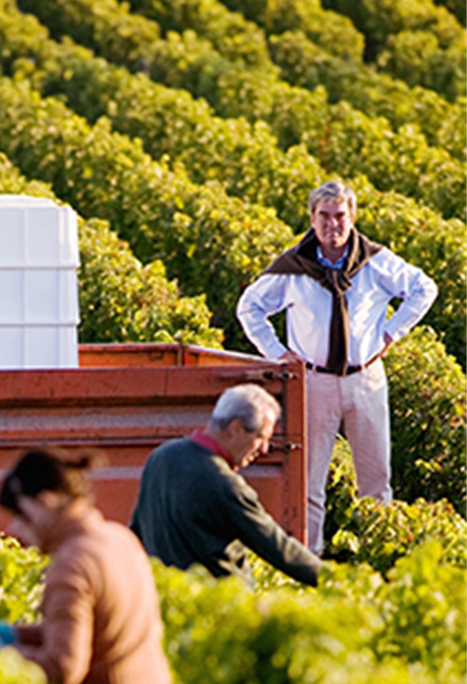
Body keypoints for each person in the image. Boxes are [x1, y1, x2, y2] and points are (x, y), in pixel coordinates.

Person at [236, 178, 437, 553]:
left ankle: (379, 559)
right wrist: (276, 352)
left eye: (340, 216)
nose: (333, 224)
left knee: (375, 479)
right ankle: (308, 562)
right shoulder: (294, 267)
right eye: (325, 216)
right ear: (312, 220)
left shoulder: (375, 262)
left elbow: (425, 288)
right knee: (309, 482)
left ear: (352, 217)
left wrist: (391, 332)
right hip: (314, 383)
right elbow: (249, 307)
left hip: (366, 380)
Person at [0, 448, 175, 684]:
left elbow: (64, 666)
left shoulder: (72, 564)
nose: (15, 529)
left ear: (46, 501)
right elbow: (100, 628)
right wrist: (16, 633)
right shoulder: (119, 539)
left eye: (21, 515)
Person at [130, 383, 320, 588]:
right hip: (220, 598)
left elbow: (136, 531)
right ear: (235, 428)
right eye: (260, 437)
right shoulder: (223, 483)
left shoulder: (161, 456)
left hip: (165, 593)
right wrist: (335, 579)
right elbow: (278, 549)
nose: (264, 449)